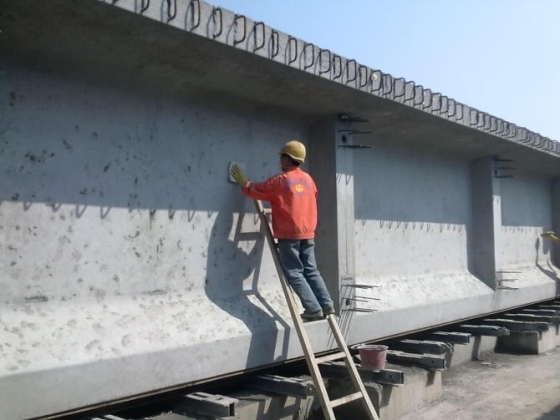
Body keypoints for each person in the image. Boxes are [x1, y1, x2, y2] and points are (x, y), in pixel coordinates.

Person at [230, 140, 335, 321]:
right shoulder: (309, 180)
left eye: (282, 157)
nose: (280, 161)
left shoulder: (281, 180)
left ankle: (313, 309)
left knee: (294, 272)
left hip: (289, 234)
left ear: (287, 158)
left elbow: (258, 190)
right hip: (308, 232)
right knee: (311, 270)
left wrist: (244, 183)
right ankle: (327, 305)